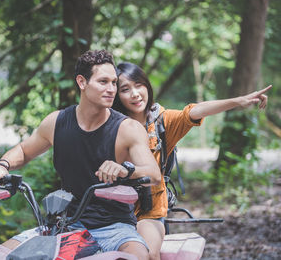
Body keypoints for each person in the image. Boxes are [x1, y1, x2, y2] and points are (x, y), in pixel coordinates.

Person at [0, 51, 161, 259]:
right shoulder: (56, 122)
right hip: (64, 225)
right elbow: (24, 150)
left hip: (114, 228)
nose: (111, 89)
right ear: (82, 82)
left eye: (114, 82)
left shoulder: (128, 128)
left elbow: (154, 174)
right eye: (103, 82)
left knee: (137, 257)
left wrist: (126, 169)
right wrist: (3, 164)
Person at [112, 61, 271, 260]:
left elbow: (196, 111)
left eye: (139, 85)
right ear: (116, 96)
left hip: (148, 210)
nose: (135, 93)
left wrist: (239, 101)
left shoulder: (162, 121)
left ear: (147, 86)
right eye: (125, 89)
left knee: (148, 254)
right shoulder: (109, 124)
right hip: (111, 210)